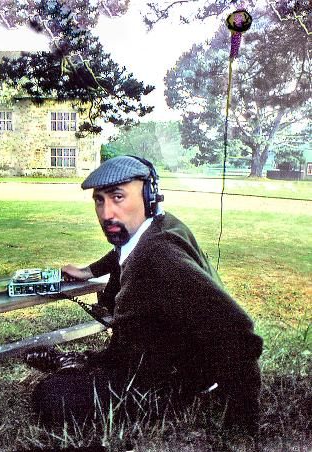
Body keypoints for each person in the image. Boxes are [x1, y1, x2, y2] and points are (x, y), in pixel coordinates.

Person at [25, 156, 263, 436]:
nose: (106, 213)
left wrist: (242, 422)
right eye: (99, 200)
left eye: (118, 197)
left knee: (50, 396)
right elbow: (121, 253)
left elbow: (240, 331)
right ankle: (85, 364)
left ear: (149, 196)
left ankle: (78, 368)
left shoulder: (160, 257)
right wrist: (88, 271)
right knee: (105, 365)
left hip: (169, 381)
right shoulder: (158, 225)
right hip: (153, 351)